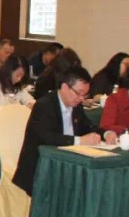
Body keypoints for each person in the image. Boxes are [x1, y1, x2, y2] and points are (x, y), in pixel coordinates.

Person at [13, 68, 114, 196]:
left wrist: (105, 134)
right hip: (41, 169)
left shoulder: (76, 106)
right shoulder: (44, 105)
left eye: (85, 95)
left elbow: (87, 126)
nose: (81, 98)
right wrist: (79, 141)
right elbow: (47, 138)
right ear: (65, 87)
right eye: (79, 93)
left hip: (67, 164)